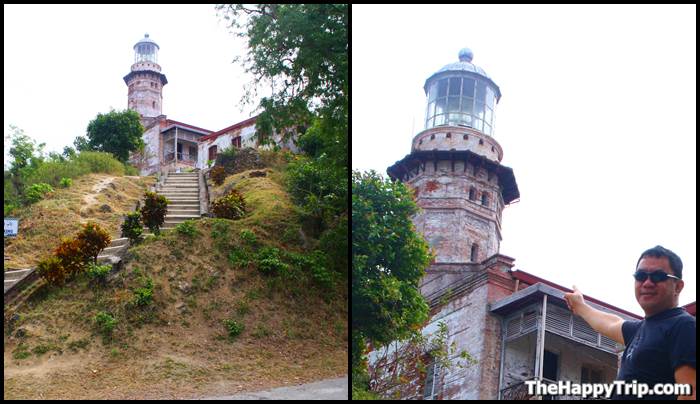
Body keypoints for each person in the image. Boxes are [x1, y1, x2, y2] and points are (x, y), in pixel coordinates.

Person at [564, 245, 695, 400]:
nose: (647, 283)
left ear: (678, 286)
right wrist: (580, 307)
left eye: (658, 276)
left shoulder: (684, 326)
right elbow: (610, 323)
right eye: (640, 276)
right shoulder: (640, 329)